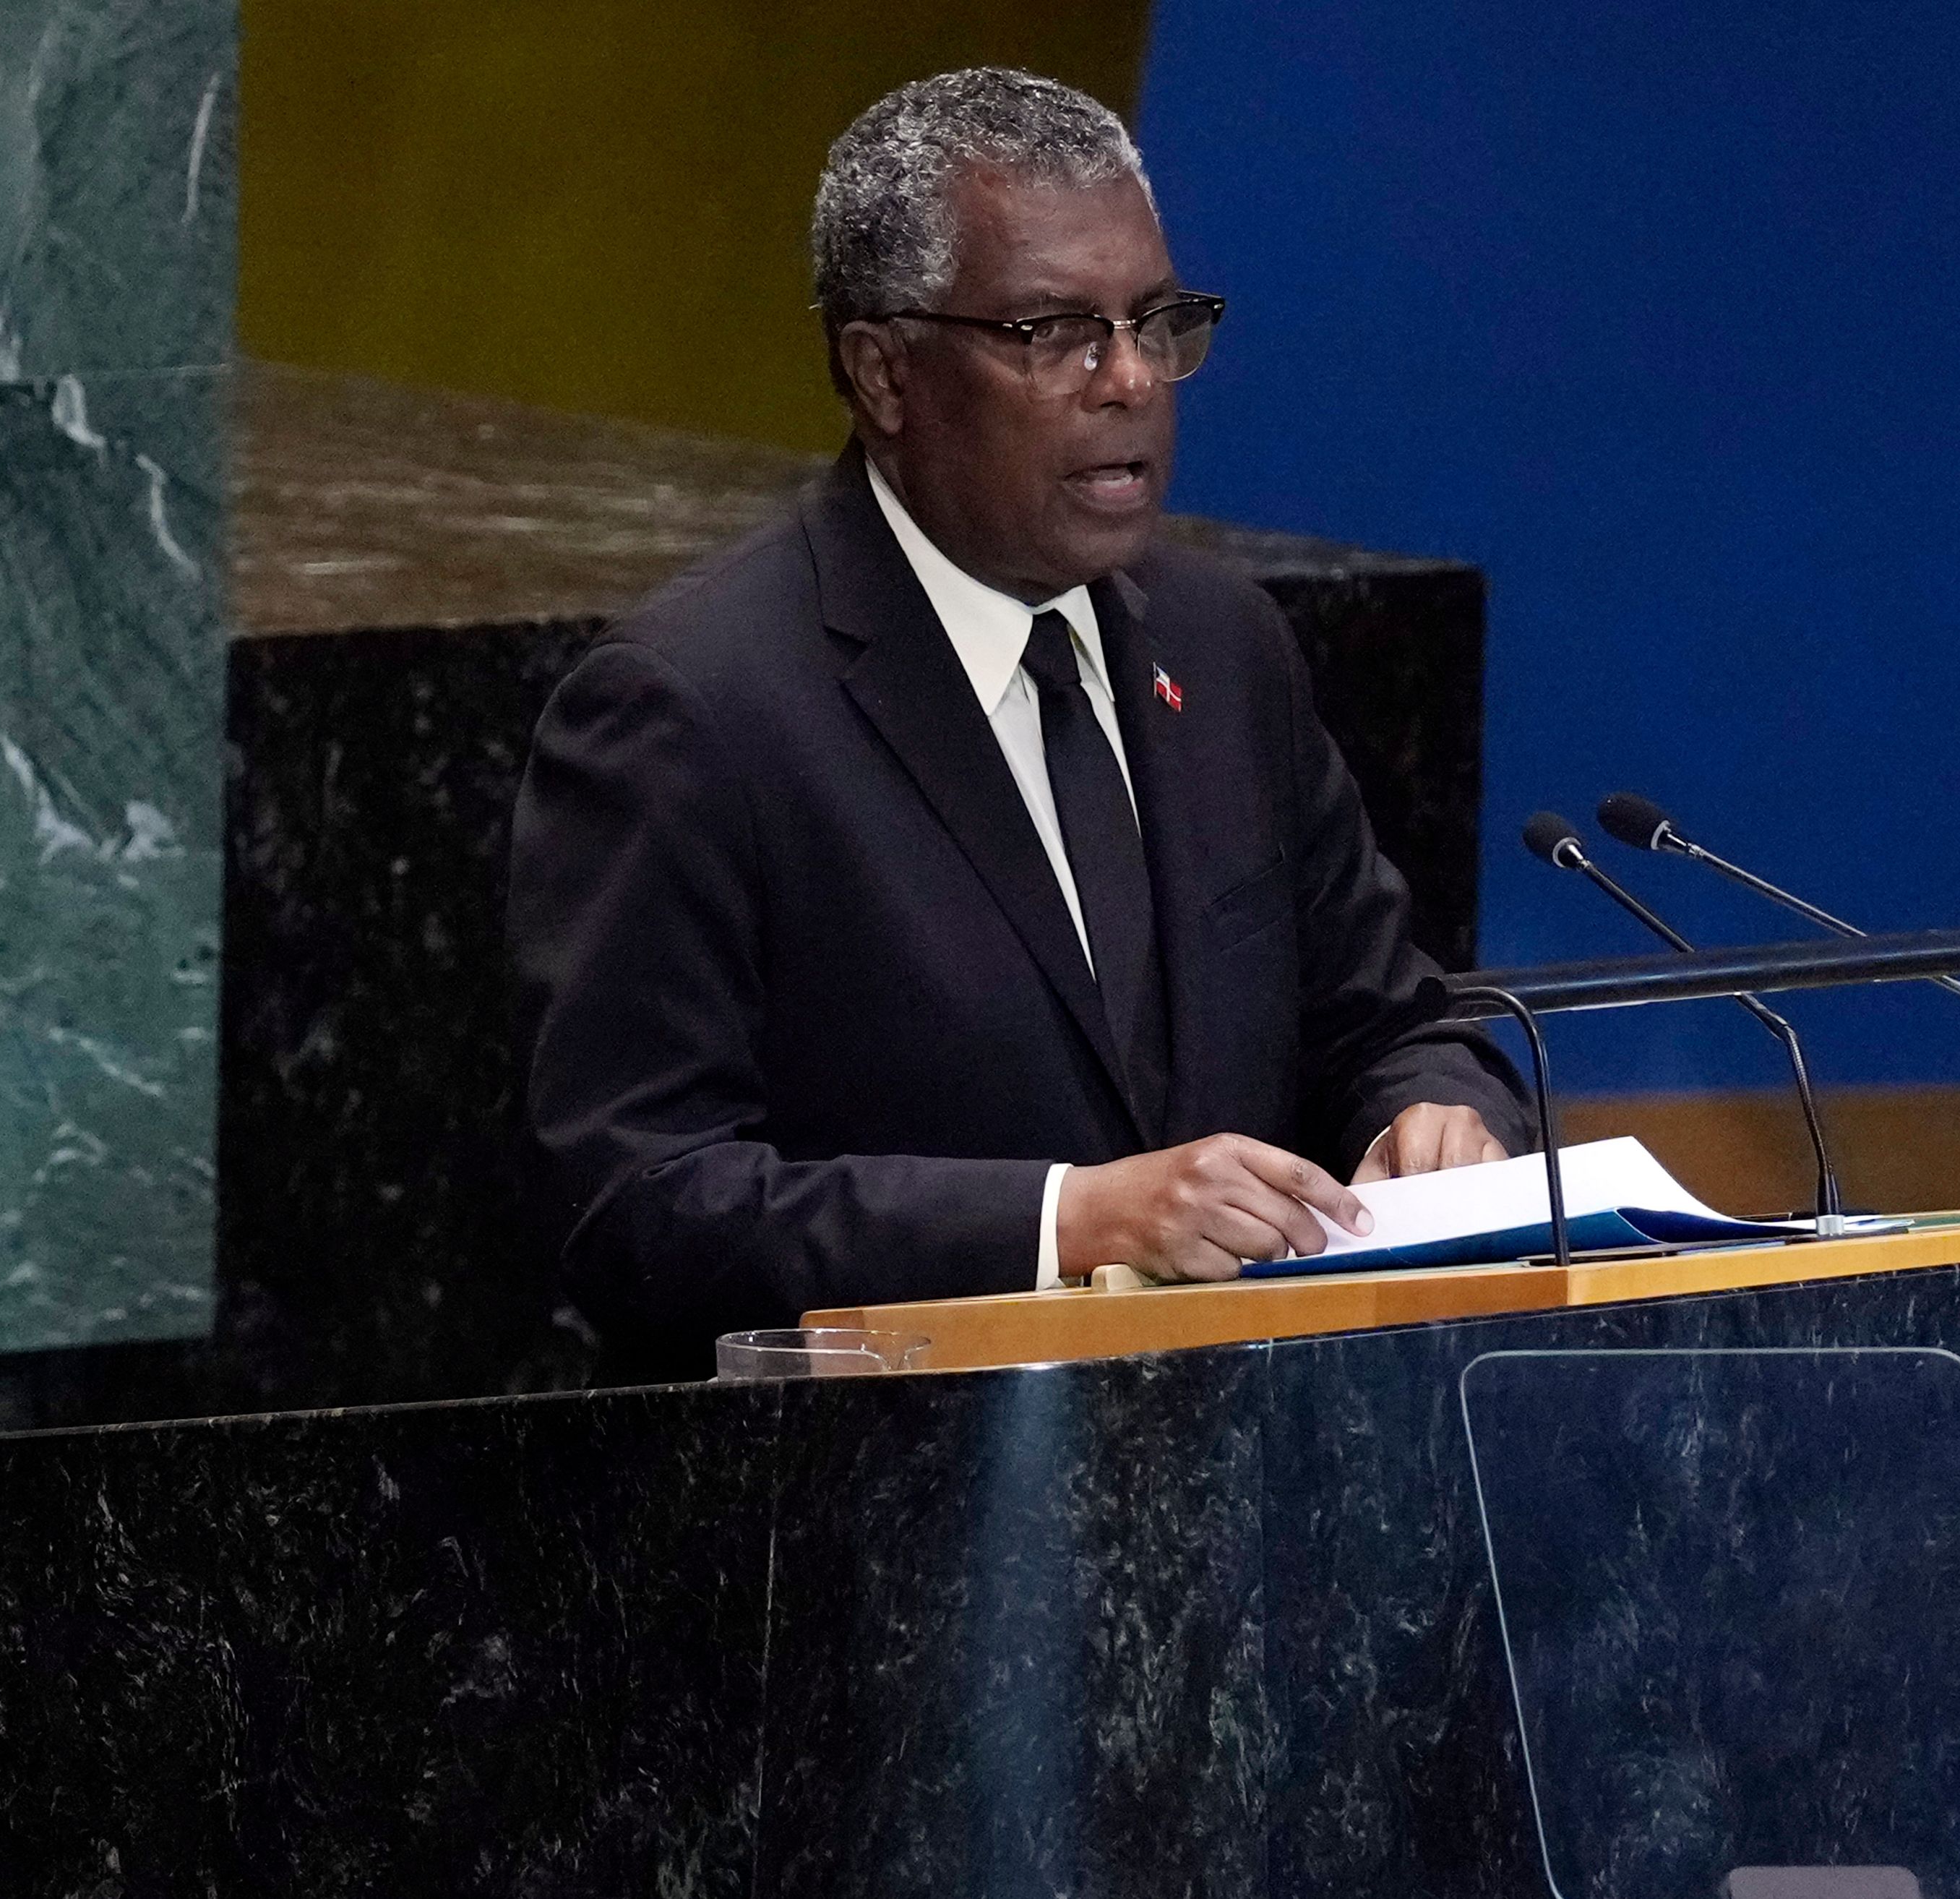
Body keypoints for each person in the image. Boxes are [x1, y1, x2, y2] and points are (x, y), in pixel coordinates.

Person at [508, 68, 1531, 1372]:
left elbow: (1391, 1022)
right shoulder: (692, 708)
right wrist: (1066, 1219)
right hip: (881, 1515)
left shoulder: (1224, 651)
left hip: (1252, 1491)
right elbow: (635, 1201)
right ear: (882, 372)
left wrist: (1431, 1109)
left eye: (1157, 322)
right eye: (1055, 332)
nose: (1130, 381)